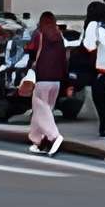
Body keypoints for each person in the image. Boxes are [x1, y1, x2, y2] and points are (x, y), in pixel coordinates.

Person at [27, 10, 68, 156]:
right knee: (45, 110)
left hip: (43, 78)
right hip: (56, 80)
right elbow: (64, 60)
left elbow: (30, 51)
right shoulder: (59, 36)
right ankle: (37, 141)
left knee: (40, 107)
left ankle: (54, 136)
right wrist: (65, 80)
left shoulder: (39, 35)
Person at [77, 0, 105, 133]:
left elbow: (89, 46)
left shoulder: (93, 25)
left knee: (99, 97)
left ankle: (104, 126)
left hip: (103, 66)